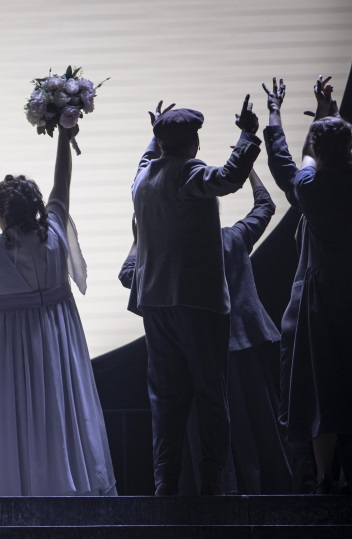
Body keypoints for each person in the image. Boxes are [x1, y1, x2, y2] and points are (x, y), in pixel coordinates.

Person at [0, 126, 116, 496]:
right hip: (57, 338)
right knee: (61, 410)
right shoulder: (56, 233)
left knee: (14, 413)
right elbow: (62, 183)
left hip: (9, 345)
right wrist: (64, 136)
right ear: (35, 207)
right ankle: (68, 482)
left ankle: (19, 488)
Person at [121, 169, 290, 494]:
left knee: (204, 433)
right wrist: (251, 172)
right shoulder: (233, 239)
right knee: (252, 431)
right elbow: (265, 206)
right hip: (241, 353)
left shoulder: (168, 256)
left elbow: (129, 274)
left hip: (195, 356)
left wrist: (140, 237)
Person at [132, 97, 261, 496]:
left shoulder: (142, 177)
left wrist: (155, 133)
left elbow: (147, 157)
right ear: (195, 143)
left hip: (155, 302)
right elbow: (229, 177)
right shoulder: (189, 172)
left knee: (166, 396)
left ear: (160, 143)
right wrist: (247, 135)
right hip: (197, 301)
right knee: (210, 392)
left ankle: (164, 480)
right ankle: (212, 479)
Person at [276, 76, 352, 493]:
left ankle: (325, 478)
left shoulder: (309, 187)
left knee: (324, 385)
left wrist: (315, 119)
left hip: (323, 297)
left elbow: (302, 158)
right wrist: (331, 116)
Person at [261, 76, 317, 492]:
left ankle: (306, 477)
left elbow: (284, 162)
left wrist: (274, 113)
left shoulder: (311, 192)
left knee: (299, 391)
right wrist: (328, 118)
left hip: (312, 303)